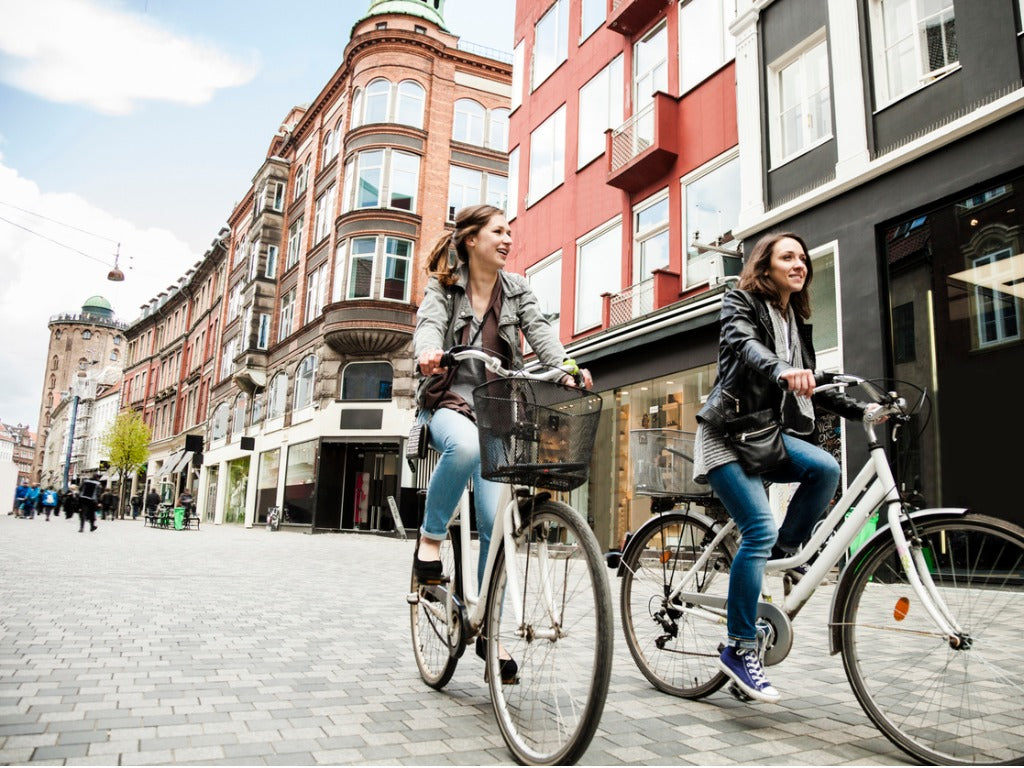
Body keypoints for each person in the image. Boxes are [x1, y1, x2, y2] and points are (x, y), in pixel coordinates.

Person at [694, 232, 881, 703]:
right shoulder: (739, 302)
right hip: (728, 436)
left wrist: (862, 411)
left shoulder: (796, 321)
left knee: (825, 468)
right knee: (756, 527)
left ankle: (784, 551)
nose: (799, 264)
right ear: (766, 265)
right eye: (788, 257)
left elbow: (812, 386)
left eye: (803, 258)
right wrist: (779, 368)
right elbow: (745, 347)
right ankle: (739, 646)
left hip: (767, 439)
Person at [412, 204, 592, 681]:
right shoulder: (443, 288)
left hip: (496, 413)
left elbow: (542, 335)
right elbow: (428, 325)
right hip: (448, 403)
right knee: (465, 448)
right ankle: (429, 543)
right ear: (471, 240)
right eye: (498, 231)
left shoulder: (517, 290)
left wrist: (568, 368)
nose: (508, 238)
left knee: (497, 522)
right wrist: (429, 353)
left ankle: (490, 634)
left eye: (510, 231)